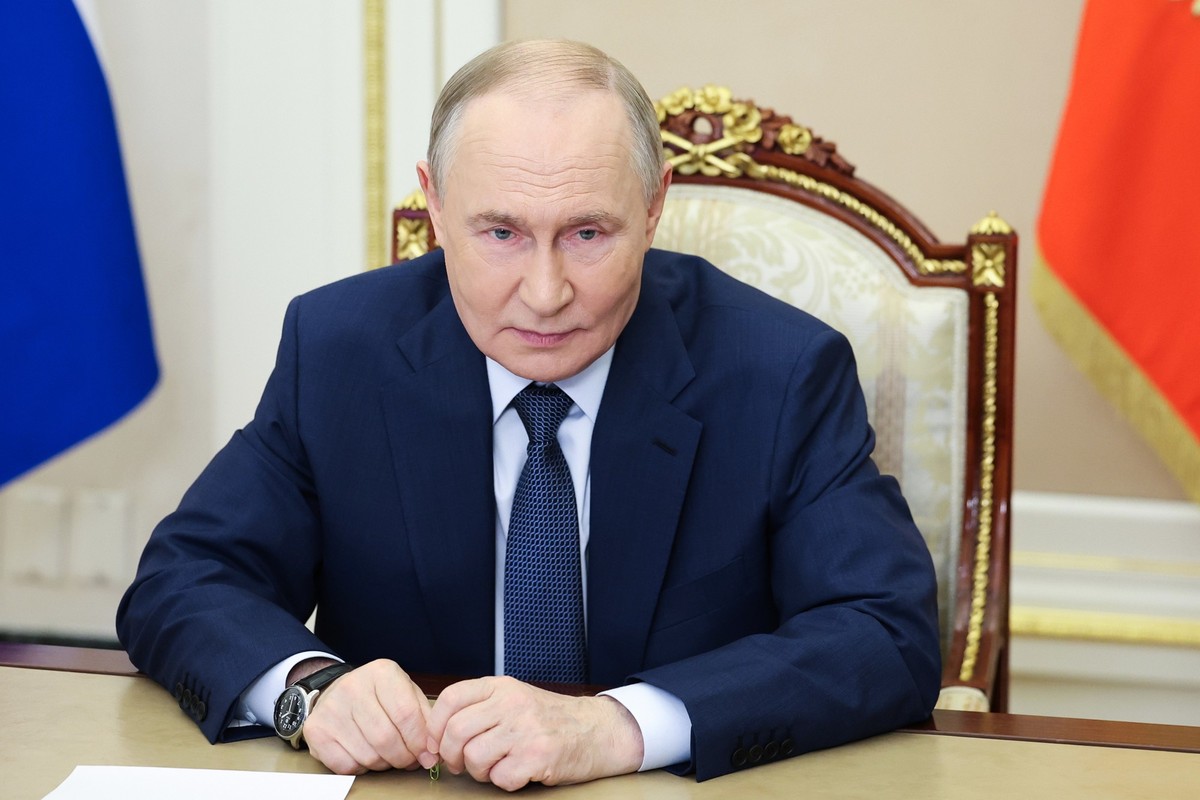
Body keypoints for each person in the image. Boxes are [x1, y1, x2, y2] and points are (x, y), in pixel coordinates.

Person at [116, 39, 940, 789]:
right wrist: (307, 689)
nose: (546, 296)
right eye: (501, 232)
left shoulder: (780, 371)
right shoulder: (338, 350)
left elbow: (886, 632)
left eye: (587, 233)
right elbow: (183, 580)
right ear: (434, 207)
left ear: (654, 207)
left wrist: (619, 726)